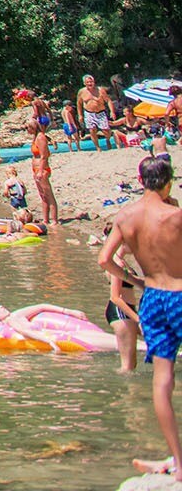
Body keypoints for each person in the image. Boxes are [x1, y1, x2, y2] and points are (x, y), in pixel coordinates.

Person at [102, 151, 182, 478]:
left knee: (162, 380)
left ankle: (178, 464)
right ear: (168, 181)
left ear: (139, 182)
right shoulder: (175, 215)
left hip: (153, 300)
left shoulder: (125, 216)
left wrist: (135, 279)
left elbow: (105, 260)